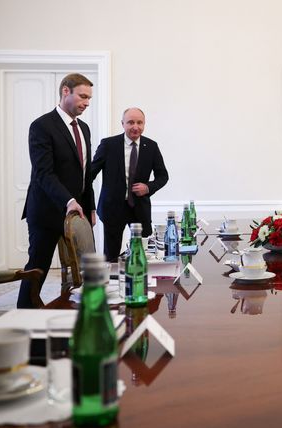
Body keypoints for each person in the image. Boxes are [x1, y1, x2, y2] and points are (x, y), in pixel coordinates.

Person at [18, 73, 96, 308]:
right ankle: (24, 314)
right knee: (37, 268)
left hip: (78, 212)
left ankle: (77, 312)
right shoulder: (42, 126)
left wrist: (89, 205)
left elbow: (86, 173)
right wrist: (68, 200)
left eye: (89, 98)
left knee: (86, 268)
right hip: (47, 211)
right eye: (82, 96)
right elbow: (44, 173)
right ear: (65, 91)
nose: (86, 102)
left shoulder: (84, 128)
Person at [91, 107, 169, 262]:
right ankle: (112, 284)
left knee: (142, 253)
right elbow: (90, 175)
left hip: (140, 208)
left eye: (140, 122)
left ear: (144, 124)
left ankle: (140, 282)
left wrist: (148, 187)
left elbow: (163, 176)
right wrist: (89, 205)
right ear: (122, 124)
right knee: (111, 255)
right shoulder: (108, 145)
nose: (135, 126)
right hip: (112, 208)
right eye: (131, 122)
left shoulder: (151, 146)